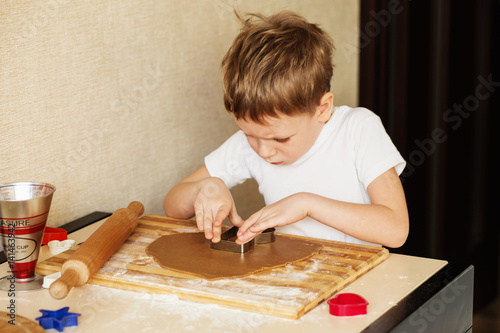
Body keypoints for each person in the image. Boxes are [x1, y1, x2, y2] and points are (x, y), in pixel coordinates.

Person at [163, 11, 409, 248]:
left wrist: (306, 204)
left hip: (362, 280)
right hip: (296, 280)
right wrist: (206, 187)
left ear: (322, 109)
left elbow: (396, 230)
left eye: (281, 139)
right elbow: (172, 205)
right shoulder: (253, 144)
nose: (265, 151)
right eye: (249, 135)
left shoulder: (358, 129)